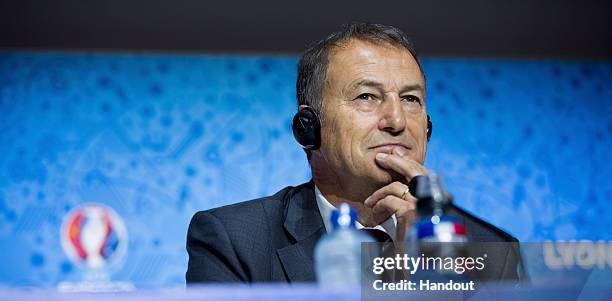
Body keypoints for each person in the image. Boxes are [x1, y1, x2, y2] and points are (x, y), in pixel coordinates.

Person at [186, 22, 522, 284]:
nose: (397, 121)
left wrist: (426, 275)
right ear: (308, 126)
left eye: (410, 99)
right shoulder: (235, 241)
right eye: (366, 97)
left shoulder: (492, 250)